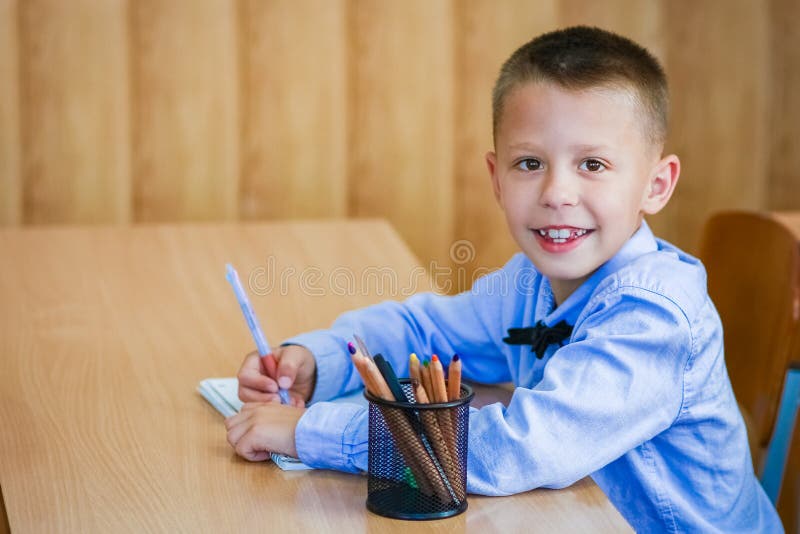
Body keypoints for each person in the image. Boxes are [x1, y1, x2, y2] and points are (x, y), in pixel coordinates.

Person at [224, 26, 782, 532]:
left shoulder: (653, 317)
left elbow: (515, 453)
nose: (557, 194)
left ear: (656, 185)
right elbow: (426, 332)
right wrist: (318, 362)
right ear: (496, 178)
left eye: (593, 164)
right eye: (530, 163)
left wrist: (309, 434)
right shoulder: (531, 281)